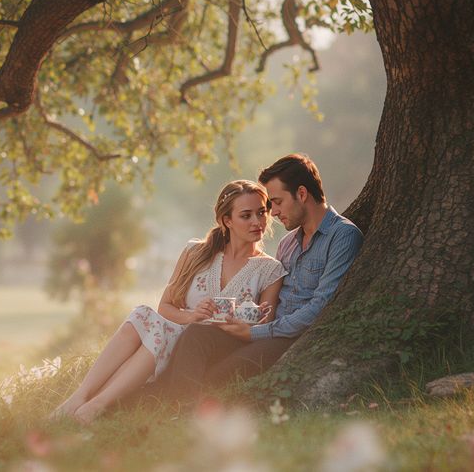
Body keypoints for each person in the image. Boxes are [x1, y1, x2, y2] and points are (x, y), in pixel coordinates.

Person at [51, 180, 286, 423]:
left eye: (261, 213)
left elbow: (264, 325)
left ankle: (96, 405)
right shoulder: (196, 252)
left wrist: (237, 321)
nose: (258, 222)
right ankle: (79, 399)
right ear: (227, 221)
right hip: (179, 330)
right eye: (246, 216)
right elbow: (166, 306)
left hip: (214, 347)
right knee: (142, 315)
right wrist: (192, 315)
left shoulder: (269, 269)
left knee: (160, 333)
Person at [145, 154, 364, 402]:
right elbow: (270, 300)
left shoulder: (343, 236)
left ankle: (166, 406)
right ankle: (146, 399)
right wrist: (248, 317)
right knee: (196, 334)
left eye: (277, 203)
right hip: (260, 330)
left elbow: (319, 307)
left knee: (215, 375)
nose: (274, 213)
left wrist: (256, 334)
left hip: (286, 338)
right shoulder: (288, 243)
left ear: (301, 194)